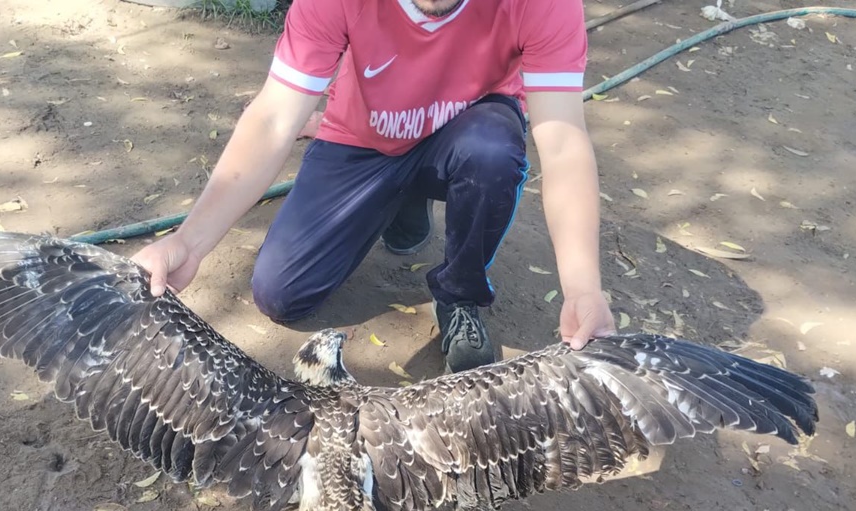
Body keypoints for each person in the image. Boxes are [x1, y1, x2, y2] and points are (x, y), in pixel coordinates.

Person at [131, 0, 615, 372]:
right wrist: (189, 242)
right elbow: (274, 117)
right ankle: (402, 198)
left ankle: (459, 293)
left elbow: (564, 143)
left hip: (466, 133)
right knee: (281, 294)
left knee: (493, 152)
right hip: (362, 141)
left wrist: (583, 288)